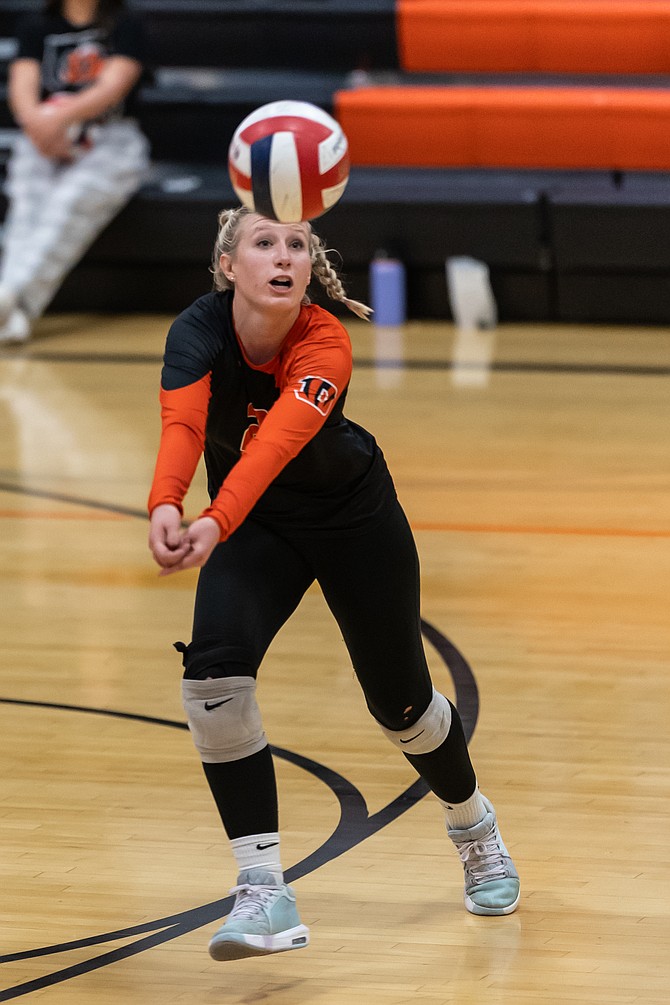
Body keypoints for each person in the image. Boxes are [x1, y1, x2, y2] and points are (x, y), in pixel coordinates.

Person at [147, 206, 520, 962]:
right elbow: (183, 428)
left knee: (403, 707)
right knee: (212, 676)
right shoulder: (197, 331)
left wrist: (212, 519)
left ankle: (473, 823)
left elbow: (276, 442)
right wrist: (164, 502)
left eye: (297, 244)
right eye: (264, 243)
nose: (285, 256)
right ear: (228, 266)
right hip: (258, 528)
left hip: (353, 519)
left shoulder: (326, 339)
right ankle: (262, 889)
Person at [0, 0, 150, 344]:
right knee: (25, 211)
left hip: (110, 139)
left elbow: (114, 84)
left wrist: (63, 119)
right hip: (43, 136)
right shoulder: (36, 25)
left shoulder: (126, 24)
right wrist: (40, 126)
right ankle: (16, 312)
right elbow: (21, 87)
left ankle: (10, 295)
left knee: (67, 207)